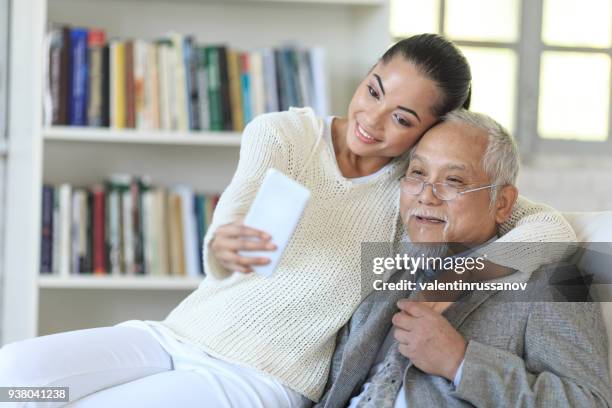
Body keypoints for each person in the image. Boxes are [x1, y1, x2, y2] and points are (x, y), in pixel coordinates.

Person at [0, 35, 576, 407]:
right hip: (178, 335)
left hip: (262, 378)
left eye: (400, 117)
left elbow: (553, 231)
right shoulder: (285, 133)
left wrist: (451, 286)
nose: (370, 121)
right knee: (20, 382)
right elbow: (230, 224)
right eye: (372, 91)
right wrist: (224, 245)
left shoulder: (412, 190)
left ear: (425, 131)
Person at [316, 110, 611, 408]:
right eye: (417, 173)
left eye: (454, 180)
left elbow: (591, 402)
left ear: (503, 203)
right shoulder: (387, 265)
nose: (426, 196)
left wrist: (460, 362)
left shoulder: (562, 279)